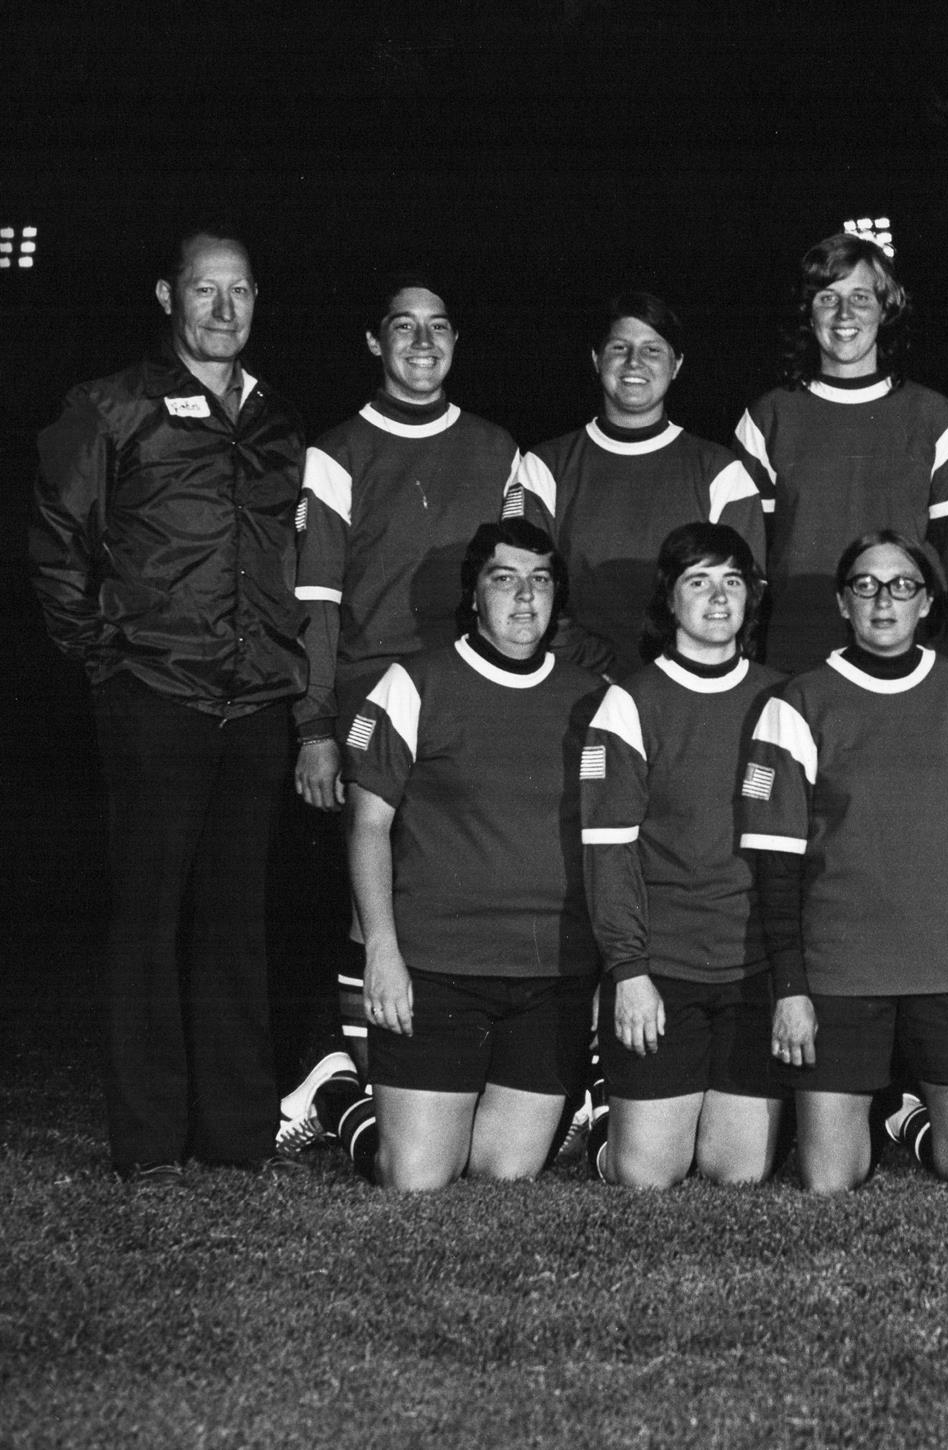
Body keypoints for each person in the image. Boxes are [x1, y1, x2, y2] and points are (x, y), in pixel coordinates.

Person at [31, 227, 306, 1186]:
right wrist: (110, 660)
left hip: (255, 699)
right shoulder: (110, 406)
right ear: (167, 296)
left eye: (240, 291)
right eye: (204, 290)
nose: (223, 310)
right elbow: (57, 543)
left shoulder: (275, 417)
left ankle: (234, 1132)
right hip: (156, 693)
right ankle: (149, 1136)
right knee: (148, 917)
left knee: (237, 918)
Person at [284, 275, 526, 1109]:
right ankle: (359, 1073)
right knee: (374, 884)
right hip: (371, 692)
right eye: (404, 327)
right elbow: (315, 601)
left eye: (439, 328)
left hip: (471, 695)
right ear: (374, 342)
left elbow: (522, 582)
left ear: (456, 342)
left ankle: (457, 1066)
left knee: (465, 880)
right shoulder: (338, 451)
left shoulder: (498, 448)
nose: (423, 344)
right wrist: (315, 725)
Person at [329, 520, 602, 1190]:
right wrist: (381, 950)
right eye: (504, 579)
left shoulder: (593, 698)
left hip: (550, 972)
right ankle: (338, 1099)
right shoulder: (415, 683)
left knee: (505, 1172)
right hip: (440, 967)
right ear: (474, 594)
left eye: (540, 580)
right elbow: (367, 826)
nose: (525, 597)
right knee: (419, 1178)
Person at [739, 531, 948, 1194]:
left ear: (927, 602)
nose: (883, 600)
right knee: (829, 1180)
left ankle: (906, 1117)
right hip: (843, 965)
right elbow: (776, 867)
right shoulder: (798, 702)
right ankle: (884, 1100)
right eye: (865, 585)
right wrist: (792, 989)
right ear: (842, 601)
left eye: (902, 586)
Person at [578, 523, 786, 1187]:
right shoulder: (630, 702)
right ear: (670, 599)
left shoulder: (783, 698)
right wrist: (629, 971)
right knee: (648, 1176)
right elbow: (608, 854)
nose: (718, 597)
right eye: (699, 581)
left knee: (738, 1173)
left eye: (732, 581)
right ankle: (602, 1110)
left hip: (753, 968)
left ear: (751, 597)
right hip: (664, 969)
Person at [732, 235, 948, 673]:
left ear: (885, 309)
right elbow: (750, 565)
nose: (844, 314)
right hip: (798, 650)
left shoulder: (935, 417)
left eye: (861, 297)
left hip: (906, 654)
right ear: (809, 313)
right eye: (828, 298)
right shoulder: (767, 418)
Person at [517, 292, 764, 680]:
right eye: (620, 347)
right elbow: (524, 585)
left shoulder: (720, 470)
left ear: (676, 364)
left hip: (688, 681)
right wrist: (597, 665)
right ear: (596, 359)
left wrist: (679, 670)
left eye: (652, 349)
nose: (634, 362)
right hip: (576, 683)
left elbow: (744, 592)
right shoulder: (546, 466)